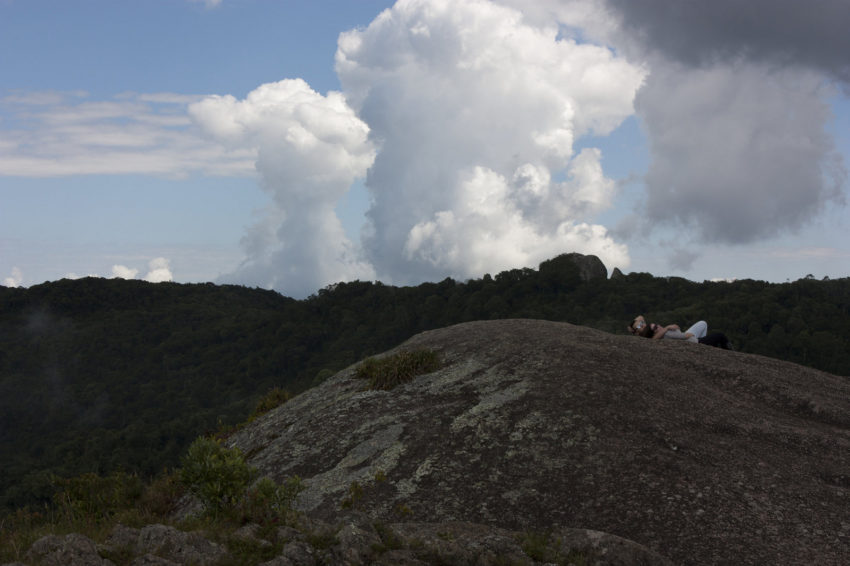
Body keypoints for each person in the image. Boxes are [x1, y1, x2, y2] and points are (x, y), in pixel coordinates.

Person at [628, 315, 731, 349]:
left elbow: (640, 316)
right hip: (686, 338)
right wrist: (667, 328)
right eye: (639, 326)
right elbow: (654, 339)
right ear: (637, 332)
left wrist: (632, 327)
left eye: (641, 323)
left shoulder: (649, 329)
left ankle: (706, 347)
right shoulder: (646, 337)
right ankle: (705, 347)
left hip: (680, 335)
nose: (642, 324)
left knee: (703, 324)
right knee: (719, 336)